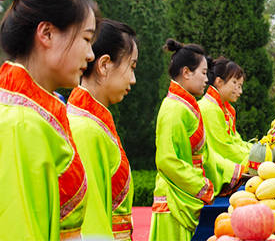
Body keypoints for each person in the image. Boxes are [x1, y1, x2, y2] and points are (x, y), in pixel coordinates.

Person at [0, 0, 96, 240]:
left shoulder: (19, 113)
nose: (90, 54)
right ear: (47, 33)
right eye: (85, 38)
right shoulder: (20, 125)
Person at [149, 39, 242, 241]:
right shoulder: (174, 109)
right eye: (202, 73)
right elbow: (167, 160)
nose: (206, 79)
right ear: (186, 72)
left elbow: (204, 155)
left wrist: (235, 172)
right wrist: (203, 186)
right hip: (174, 200)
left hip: (183, 197)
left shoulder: (185, 106)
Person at [67, 19, 138, 240]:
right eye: (132, 66)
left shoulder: (93, 122)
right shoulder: (85, 129)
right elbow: (92, 225)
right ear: (104, 64)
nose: (133, 79)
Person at [199, 56, 250, 166]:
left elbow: (236, 141)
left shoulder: (224, 109)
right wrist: (254, 160)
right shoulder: (209, 108)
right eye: (236, 83)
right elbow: (223, 149)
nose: (240, 91)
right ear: (219, 82)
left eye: (240, 86)